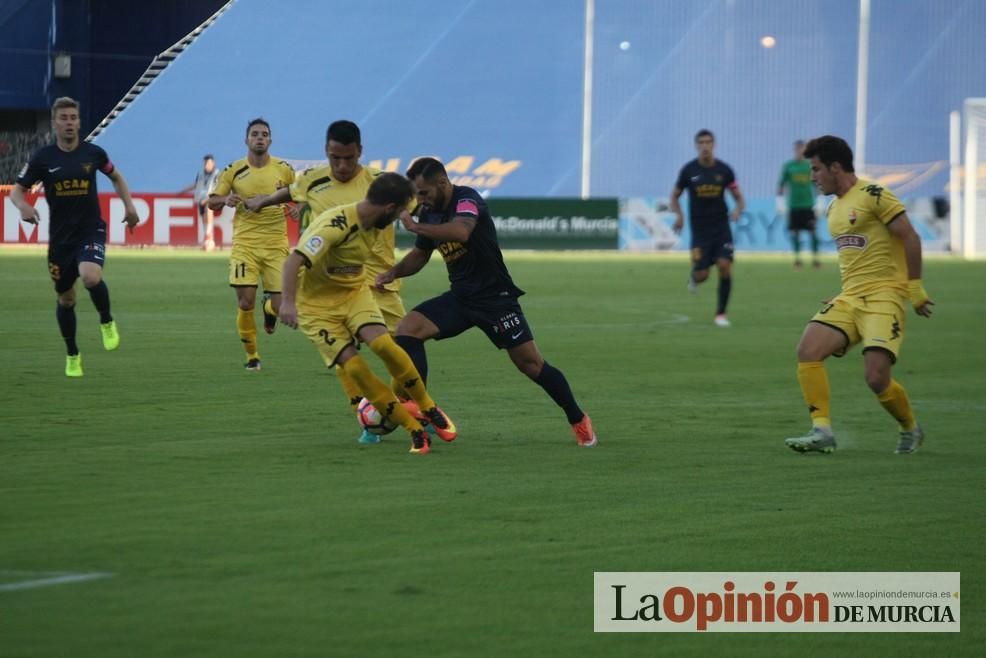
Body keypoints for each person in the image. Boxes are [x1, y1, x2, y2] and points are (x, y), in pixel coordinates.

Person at [376, 157, 598, 447]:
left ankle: (578, 418)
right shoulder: (428, 212)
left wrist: (414, 227)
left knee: (531, 366)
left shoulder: (467, 199)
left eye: (425, 193)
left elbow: (461, 231)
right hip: (461, 298)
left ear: (443, 183)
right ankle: (425, 410)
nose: (420, 199)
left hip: (496, 301)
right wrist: (393, 272)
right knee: (407, 330)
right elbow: (420, 255)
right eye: (417, 194)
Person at [245, 120, 410, 443]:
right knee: (346, 355)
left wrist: (413, 220)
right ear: (326, 152)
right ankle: (367, 420)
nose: (342, 165)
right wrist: (262, 201)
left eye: (349, 158)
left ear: (360, 152)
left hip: (379, 281)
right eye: (335, 158)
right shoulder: (312, 180)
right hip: (326, 284)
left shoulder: (381, 184)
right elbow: (289, 192)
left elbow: (409, 207)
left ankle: (401, 407)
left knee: (404, 350)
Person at [279, 172, 456, 455]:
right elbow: (293, 262)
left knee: (385, 344)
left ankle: (428, 406)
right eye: (400, 212)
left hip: (353, 293)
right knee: (356, 367)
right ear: (389, 209)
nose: (400, 218)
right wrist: (287, 303)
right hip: (316, 308)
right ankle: (415, 430)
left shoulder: (375, 220)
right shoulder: (334, 226)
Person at [784, 135, 933, 455]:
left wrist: (915, 287)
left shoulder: (874, 194)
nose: (812, 177)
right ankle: (821, 429)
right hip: (851, 297)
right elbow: (857, 257)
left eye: (816, 169)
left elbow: (910, 236)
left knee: (876, 378)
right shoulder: (833, 209)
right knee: (808, 349)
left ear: (836, 167)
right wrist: (843, 294)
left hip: (884, 297)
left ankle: (910, 427)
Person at [10, 97, 139, 377]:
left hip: (90, 229)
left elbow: (116, 177)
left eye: (73, 118)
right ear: (55, 123)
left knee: (91, 276)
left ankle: (106, 321)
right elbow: (17, 191)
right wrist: (24, 207)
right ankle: (72, 353)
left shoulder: (94, 154)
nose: (69, 123)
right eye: (64, 118)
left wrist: (129, 206)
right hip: (60, 240)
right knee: (66, 300)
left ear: (79, 122)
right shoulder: (43, 159)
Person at [208, 118, 295, 371]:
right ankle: (252, 357)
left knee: (282, 308)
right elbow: (212, 202)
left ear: (270, 140)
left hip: (276, 244)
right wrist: (225, 199)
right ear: (246, 140)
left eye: (264, 134)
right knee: (245, 302)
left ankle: (269, 308)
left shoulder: (284, 169)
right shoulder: (233, 170)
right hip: (245, 244)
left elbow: (298, 193)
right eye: (255, 134)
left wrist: (295, 207)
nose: (259, 137)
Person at [670, 129, 745, 327]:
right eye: (701, 143)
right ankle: (694, 278)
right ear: (696, 146)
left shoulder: (724, 171)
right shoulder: (688, 171)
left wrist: (737, 209)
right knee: (703, 274)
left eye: (708, 142)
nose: (705, 146)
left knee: (724, 266)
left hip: (721, 228)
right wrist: (679, 216)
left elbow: (738, 197)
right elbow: (674, 196)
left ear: (714, 145)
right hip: (700, 232)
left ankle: (721, 314)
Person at [777, 140, 820, 269]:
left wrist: (820, 204)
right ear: (794, 150)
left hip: (808, 205)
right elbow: (781, 186)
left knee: (813, 232)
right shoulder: (788, 166)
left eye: (802, 149)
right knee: (795, 233)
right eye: (797, 149)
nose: (799, 151)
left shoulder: (809, 166)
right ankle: (797, 260)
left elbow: (817, 185)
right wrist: (779, 204)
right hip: (793, 205)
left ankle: (816, 259)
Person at [181, 154, 219, 251]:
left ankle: (208, 236)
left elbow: (220, 187)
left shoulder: (217, 174)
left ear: (213, 163)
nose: (207, 165)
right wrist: (183, 191)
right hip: (200, 198)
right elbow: (196, 184)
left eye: (209, 163)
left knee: (209, 210)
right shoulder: (201, 173)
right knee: (204, 218)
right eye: (206, 163)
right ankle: (209, 241)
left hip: (212, 199)